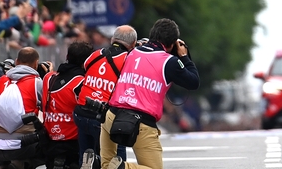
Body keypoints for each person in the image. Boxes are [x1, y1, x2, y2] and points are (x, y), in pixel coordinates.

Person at [99, 18, 199, 169]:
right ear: (171, 44)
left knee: (105, 165)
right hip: (141, 123)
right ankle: (122, 167)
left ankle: (94, 163)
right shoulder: (169, 62)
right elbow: (193, 82)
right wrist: (184, 56)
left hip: (111, 115)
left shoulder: (132, 51)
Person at [74, 26, 137, 169]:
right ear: (133, 44)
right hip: (103, 117)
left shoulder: (95, 55)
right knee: (115, 157)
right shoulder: (129, 60)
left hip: (81, 112)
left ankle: (90, 161)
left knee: (85, 155)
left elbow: (85, 70)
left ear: (113, 39)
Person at [0, 47, 50, 169]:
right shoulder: (37, 82)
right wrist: (47, 77)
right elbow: (48, 109)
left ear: (16, 61)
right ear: (36, 64)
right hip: (21, 147)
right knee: (46, 140)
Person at [42, 41, 94, 169]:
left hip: (49, 139)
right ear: (86, 62)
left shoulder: (48, 78)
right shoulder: (82, 82)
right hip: (73, 142)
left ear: (67, 57)